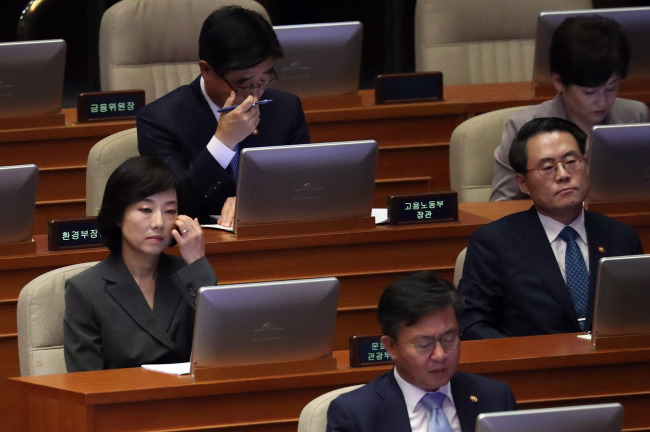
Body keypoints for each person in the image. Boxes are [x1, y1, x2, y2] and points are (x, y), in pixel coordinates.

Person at [460, 117, 643, 340]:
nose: (563, 175)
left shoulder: (621, 236)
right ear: (523, 183)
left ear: (586, 165)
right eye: (547, 167)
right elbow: (472, 323)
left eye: (571, 162)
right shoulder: (493, 243)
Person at [137, 5, 310, 226]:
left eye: (264, 79)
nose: (256, 95)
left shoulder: (286, 108)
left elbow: (302, 185)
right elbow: (173, 206)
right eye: (245, 84)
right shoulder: (159, 120)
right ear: (206, 71)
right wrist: (223, 142)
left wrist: (253, 202)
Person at [64, 155, 217, 371]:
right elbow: (84, 382)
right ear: (118, 215)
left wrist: (197, 264)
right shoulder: (85, 290)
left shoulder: (189, 274)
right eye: (146, 210)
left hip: (187, 399)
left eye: (170, 211)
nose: (158, 223)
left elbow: (222, 346)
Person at [326, 271, 516, 432]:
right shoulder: (355, 415)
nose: (440, 355)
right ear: (391, 347)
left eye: (449, 339)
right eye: (424, 344)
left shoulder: (494, 397)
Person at [491, 15, 649, 201]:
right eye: (589, 93)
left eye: (611, 88)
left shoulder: (636, 116)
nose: (602, 101)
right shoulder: (522, 127)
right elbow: (501, 206)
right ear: (558, 82)